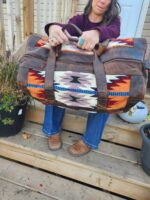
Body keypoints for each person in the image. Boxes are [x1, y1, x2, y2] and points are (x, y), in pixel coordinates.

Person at [43, 0, 121, 156]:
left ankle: (89, 140)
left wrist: (97, 33)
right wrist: (53, 28)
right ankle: (52, 130)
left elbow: (114, 31)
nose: (102, 1)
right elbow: (66, 30)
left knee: (108, 93)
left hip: (97, 73)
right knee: (52, 83)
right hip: (76, 71)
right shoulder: (79, 20)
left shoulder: (114, 22)